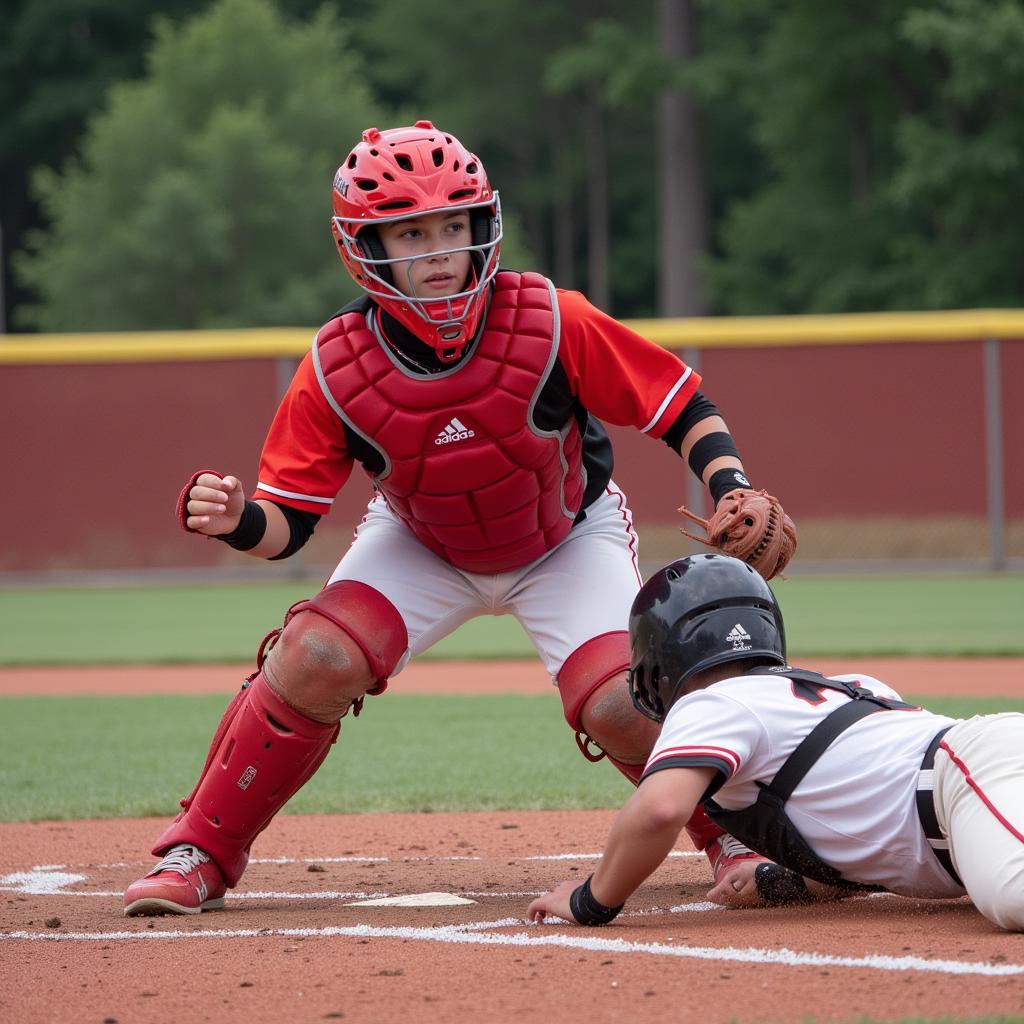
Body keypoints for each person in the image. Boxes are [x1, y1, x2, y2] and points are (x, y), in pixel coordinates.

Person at [123, 121, 795, 916]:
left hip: (566, 537)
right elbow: (287, 529)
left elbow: (682, 405)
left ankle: (741, 842)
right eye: (412, 233)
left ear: (483, 230)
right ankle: (201, 849)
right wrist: (236, 519)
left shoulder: (549, 318)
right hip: (422, 540)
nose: (439, 249)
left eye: (453, 225)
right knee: (314, 655)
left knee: (622, 700)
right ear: (365, 247)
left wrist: (731, 483)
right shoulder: (338, 366)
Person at [527, 554, 1024, 932]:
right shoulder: (845, 687)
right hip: (977, 773)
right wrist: (785, 882)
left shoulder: (712, 702)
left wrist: (591, 899)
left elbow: (658, 811)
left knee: (1013, 896)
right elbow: (872, 824)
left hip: (965, 779)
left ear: (661, 658)